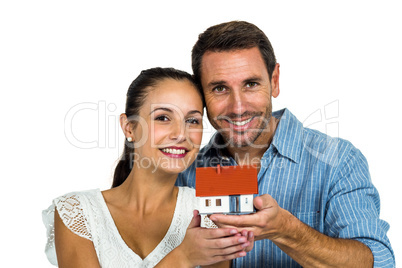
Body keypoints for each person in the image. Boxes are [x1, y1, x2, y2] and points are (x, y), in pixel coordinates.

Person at [176, 21, 395, 267]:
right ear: (200, 94)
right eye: (219, 88)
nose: (238, 107)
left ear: (275, 80)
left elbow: (380, 261)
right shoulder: (185, 169)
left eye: (251, 84)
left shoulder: (338, 160)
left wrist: (287, 231)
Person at [42, 67, 254, 267]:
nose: (181, 134)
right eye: (163, 117)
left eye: (192, 120)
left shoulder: (211, 216)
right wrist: (182, 257)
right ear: (129, 127)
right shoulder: (77, 212)